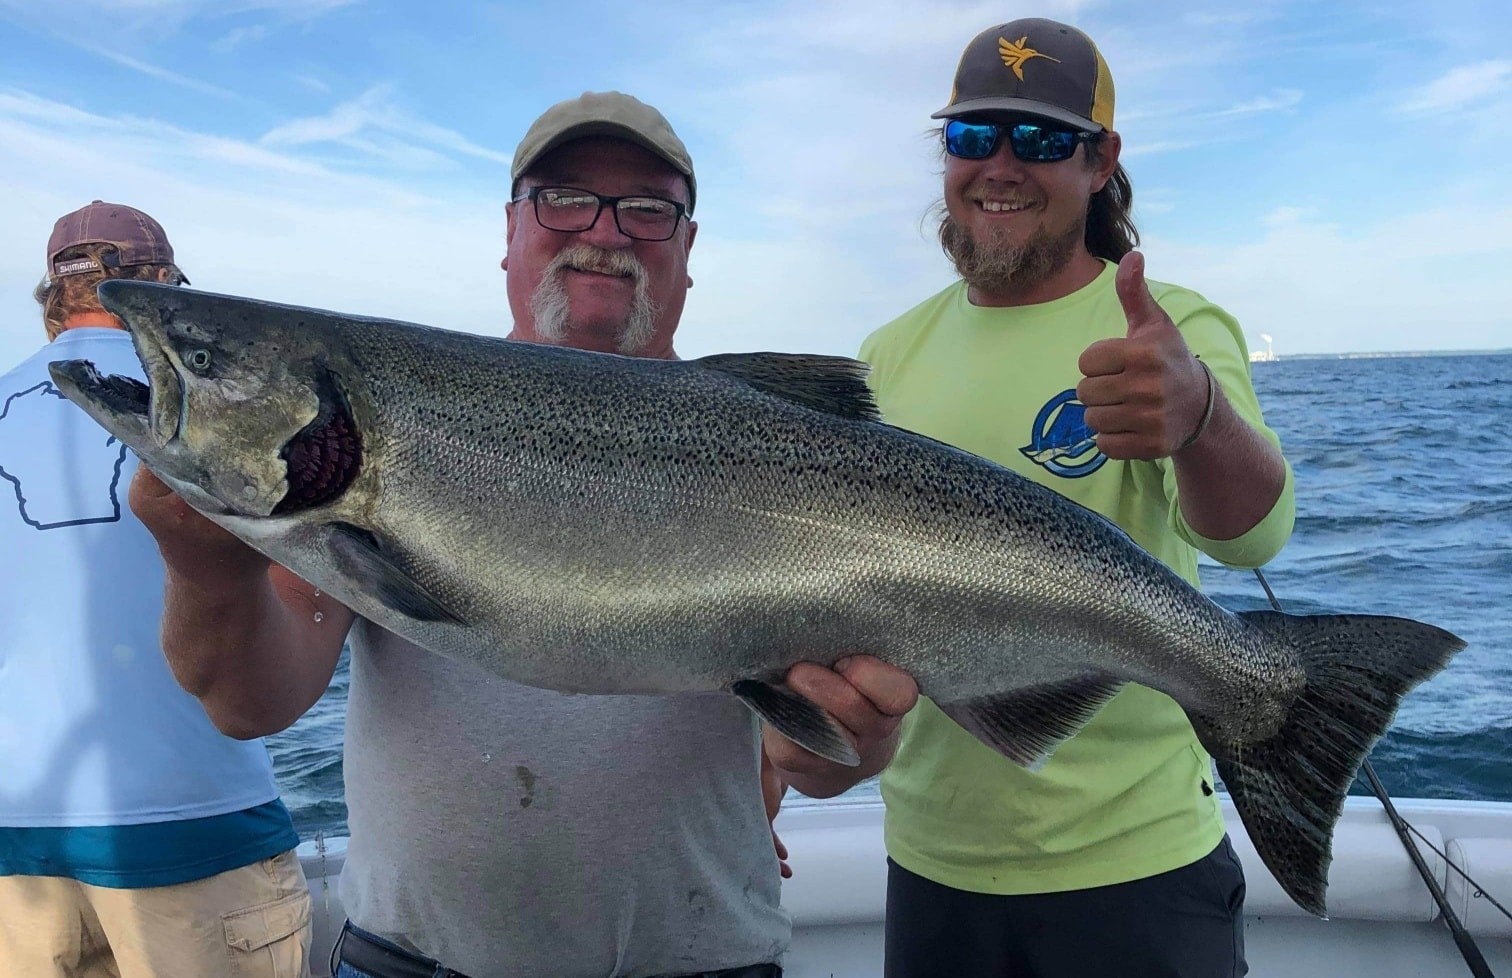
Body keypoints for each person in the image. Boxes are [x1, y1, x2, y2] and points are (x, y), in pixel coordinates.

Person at [128, 92, 912, 978]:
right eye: (563, 197)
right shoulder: (381, 435)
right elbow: (249, 706)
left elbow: (810, 765)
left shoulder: (783, 450)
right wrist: (205, 570)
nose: (606, 232)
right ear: (510, 232)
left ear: (689, 253)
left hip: (707, 958)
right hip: (411, 963)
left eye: (649, 210)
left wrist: (857, 739)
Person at [854, 19, 1295, 978]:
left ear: (1101, 162)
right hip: (930, 864)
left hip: (1138, 868)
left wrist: (1201, 413)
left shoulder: (1168, 326)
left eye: (1043, 140)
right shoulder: (885, 355)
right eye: (974, 138)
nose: (1001, 166)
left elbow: (1253, 538)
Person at [0, 201, 311, 977]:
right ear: (165, 284)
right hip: (195, 826)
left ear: (52, 294)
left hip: (13, 848)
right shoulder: (226, 412)